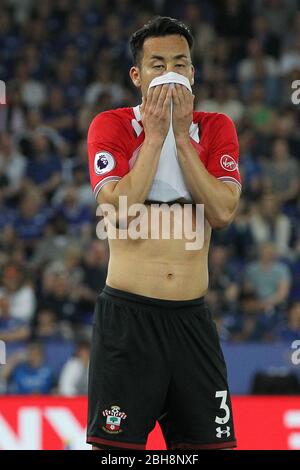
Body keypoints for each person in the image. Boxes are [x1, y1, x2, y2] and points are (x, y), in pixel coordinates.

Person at [86, 17, 241, 450]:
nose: (170, 73)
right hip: (128, 321)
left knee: (208, 450)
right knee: (117, 455)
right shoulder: (112, 125)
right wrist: (155, 138)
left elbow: (223, 211)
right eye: (157, 64)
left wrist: (180, 136)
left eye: (180, 63)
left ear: (193, 72)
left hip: (192, 321)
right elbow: (118, 210)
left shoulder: (215, 128)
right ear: (137, 76)